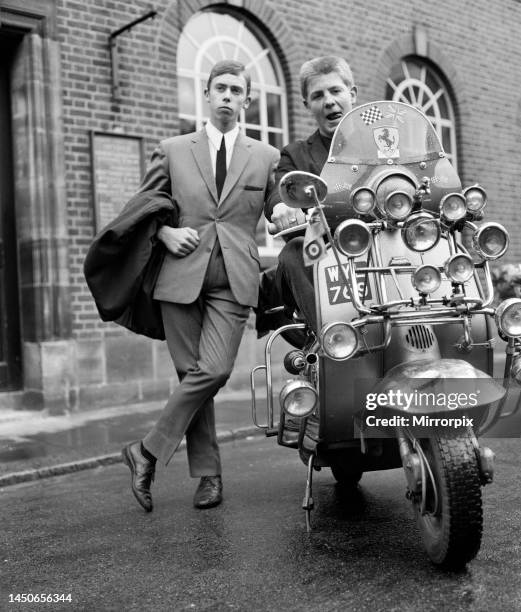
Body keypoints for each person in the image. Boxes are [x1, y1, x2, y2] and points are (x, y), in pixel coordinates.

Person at [121, 60, 279, 512]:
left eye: (237, 90)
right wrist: (165, 233)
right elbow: (143, 207)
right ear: (207, 95)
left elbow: (277, 208)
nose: (228, 95)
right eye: (220, 88)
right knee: (192, 377)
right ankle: (209, 476)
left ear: (247, 100)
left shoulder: (265, 156)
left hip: (234, 278)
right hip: (179, 276)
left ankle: (146, 451)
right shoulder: (172, 149)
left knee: (213, 371)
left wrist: (287, 213)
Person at [263, 56, 357, 334]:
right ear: (307, 106)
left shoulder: (384, 144)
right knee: (293, 250)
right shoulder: (296, 154)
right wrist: (281, 207)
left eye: (336, 91)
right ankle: (334, 338)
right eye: (318, 95)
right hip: (328, 257)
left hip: (387, 250)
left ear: (352, 94)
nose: (329, 101)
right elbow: (280, 189)